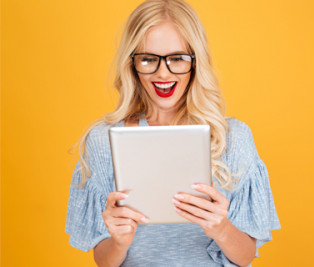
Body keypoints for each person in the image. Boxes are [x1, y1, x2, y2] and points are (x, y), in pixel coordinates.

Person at [64, 0, 280, 266]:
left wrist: (220, 228)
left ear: (195, 61)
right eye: (148, 59)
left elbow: (246, 256)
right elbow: (104, 260)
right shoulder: (102, 141)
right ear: (132, 64)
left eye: (177, 58)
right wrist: (119, 240)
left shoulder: (233, 138)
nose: (163, 73)